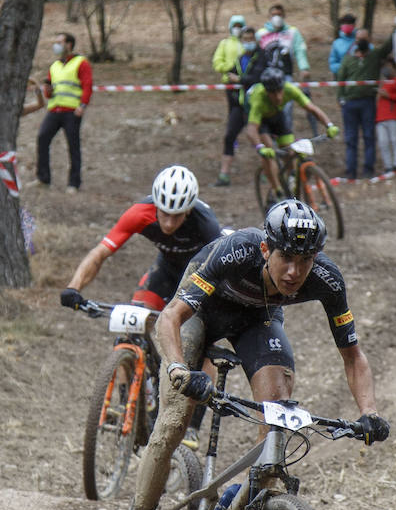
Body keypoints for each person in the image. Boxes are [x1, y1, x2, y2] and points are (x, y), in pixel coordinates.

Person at [116, 200, 388, 510]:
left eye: (305, 260)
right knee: (174, 422)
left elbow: (353, 354)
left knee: (278, 421)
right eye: (286, 258)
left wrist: (369, 413)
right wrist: (177, 369)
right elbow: (171, 318)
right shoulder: (237, 251)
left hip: (258, 321)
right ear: (266, 250)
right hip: (199, 314)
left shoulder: (327, 279)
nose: (295, 272)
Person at [60, 166, 221, 314]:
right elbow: (100, 253)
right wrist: (73, 288)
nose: (169, 223)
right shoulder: (139, 214)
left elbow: (222, 268)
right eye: (165, 213)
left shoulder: (206, 224)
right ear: (157, 206)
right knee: (135, 324)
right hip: (166, 270)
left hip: (200, 276)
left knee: (187, 332)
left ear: (188, 210)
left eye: (177, 215)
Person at [243, 69, 338, 200]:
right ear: (266, 91)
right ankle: (277, 189)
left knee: (289, 150)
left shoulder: (290, 89)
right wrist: (260, 148)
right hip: (259, 120)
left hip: (277, 114)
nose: (278, 96)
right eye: (273, 93)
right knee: (268, 147)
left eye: (279, 91)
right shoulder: (258, 99)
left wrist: (329, 125)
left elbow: (312, 109)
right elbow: (251, 129)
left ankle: (290, 183)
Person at [36, 32, 92, 192]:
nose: (56, 45)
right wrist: (47, 90)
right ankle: (43, 178)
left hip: (71, 112)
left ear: (69, 44)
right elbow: (49, 93)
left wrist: (82, 106)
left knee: (73, 146)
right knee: (42, 138)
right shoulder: (54, 66)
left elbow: (87, 85)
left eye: (59, 42)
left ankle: (74, 183)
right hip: (54, 110)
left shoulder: (81, 63)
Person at [336, 27, 394, 180]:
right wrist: (340, 97)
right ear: (355, 40)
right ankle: (351, 171)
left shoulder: (374, 55)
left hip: (368, 102)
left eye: (364, 38)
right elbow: (340, 78)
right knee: (351, 138)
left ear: (369, 40)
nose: (361, 41)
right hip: (349, 103)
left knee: (369, 136)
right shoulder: (348, 59)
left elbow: (388, 47)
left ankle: (368, 169)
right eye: (359, 38)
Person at [257, 4, 313, 134]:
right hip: (266, 77)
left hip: (285, 76)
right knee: (268, 107)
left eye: (280, 14)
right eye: (274, 14)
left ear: (284, 16)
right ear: (269, 16)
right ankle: (270, 138)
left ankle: (286, 136)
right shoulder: (261, 34)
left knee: (286, 107)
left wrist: (303, 67)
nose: (277, 17)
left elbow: (299, 50)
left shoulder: (292, 32)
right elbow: (256, 54)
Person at [215, 26, 259, 187]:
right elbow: (230, 75)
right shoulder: (240, 59)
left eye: (251, 39)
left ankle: (269, 169)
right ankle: (224, 175)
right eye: (245, 39)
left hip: (257, 106)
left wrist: (239, 79)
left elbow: (257, 77)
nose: (248, 42)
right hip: (240, 105)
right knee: (229, 136)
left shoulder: (261, 57)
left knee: (261, 138)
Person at [375, 60, 396, 174]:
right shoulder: (382, 82)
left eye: (388, 66)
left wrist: (388, 95)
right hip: (380, 117)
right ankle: (388, 166)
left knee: (395, 140)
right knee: (383, 142)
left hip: (393, 115)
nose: (386, 69)